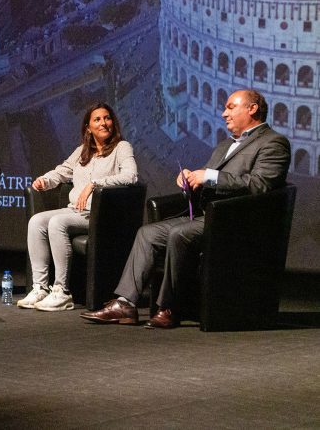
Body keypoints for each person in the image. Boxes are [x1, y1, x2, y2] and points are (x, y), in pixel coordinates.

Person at [82, 89, 291, 328]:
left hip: (235, 222)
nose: (224, 114)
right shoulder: (224, 146)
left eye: (231, 107)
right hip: (207, 216)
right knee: (147, 233)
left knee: (179, 234)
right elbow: (207, 181)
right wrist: (190, 181)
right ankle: (125, 304)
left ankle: (168, 307)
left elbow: (259, 185)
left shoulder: (273, 143)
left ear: (252, 109)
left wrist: (210, 176)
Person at [18, 102, 138, 311]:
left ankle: (62, 291)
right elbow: (62, 171)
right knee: (36, 221)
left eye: (107, 118)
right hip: (76, 211)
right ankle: (40, 287)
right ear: (88, 128)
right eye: (97, 119)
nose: (104, 123)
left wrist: (95, 184)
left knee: (57, 223)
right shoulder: (83, 151)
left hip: (100, 213)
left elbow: (131, 176)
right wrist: (45, 181)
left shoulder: (121, 148)